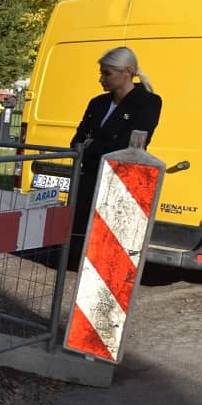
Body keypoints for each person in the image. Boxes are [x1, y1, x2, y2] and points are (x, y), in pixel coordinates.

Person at [69, 46, 162, 261]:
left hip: (120, 183)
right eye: (101, 73)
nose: (101, 79)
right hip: (90, 180)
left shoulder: (148, 102)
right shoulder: (97, 102)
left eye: (107, 73)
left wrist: (91, 144)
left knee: (107, 251)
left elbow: (126, 147)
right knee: (79, 243)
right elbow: (76, 142)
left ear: (127, 72)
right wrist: (98, 145)